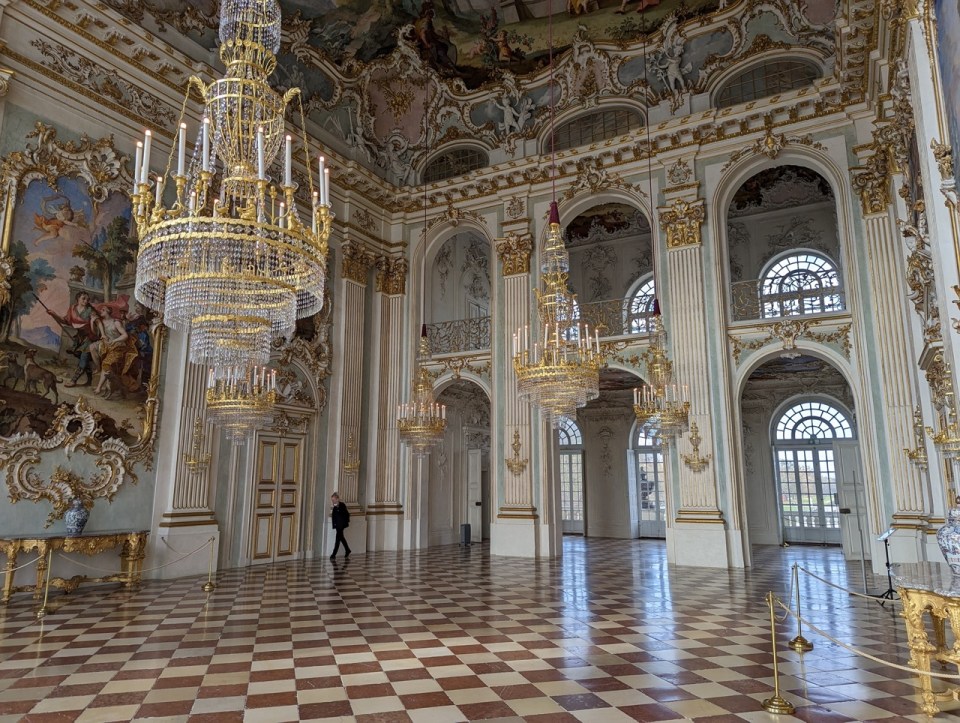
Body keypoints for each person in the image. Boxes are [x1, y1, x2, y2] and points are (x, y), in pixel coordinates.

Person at [45, 291, 96, 387]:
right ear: (78, 299)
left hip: (90, 337)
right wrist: (53, 314)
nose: (86, 300)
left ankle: (73, 380)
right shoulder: (73, 308)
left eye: (87, 299)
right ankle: (89, 380)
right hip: (80, 337)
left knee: (84, 357)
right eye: (83, 298)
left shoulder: (90, 311)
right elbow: (65, 321)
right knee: (83, 358)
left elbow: (96, 324)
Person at [330, 492, 351, 559]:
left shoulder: (342, 505)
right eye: (332, 500)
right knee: (341, 538)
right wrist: (334, 525)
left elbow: (345, 514)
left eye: (333, 500)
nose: (332, 501)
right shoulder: (334, 507)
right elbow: (334, 517)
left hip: (341, 525)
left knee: (338, 539)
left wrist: (338, 508)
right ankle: (347, 550)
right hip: (338, 525)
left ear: (337, 499)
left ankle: (333, 554)